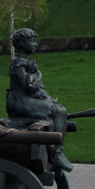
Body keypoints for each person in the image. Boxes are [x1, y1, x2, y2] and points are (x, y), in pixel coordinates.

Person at [6, 28, 73, 172]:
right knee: (59, 111)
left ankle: (55, 152)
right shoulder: (18, 64)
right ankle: (57, 154)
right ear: (22, 43)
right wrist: (37, 73)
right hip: (19, 103)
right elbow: (29, 85)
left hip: (25, 100)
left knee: (57, 110)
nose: (35, 44)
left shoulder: (26, 63)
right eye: (32, 41)